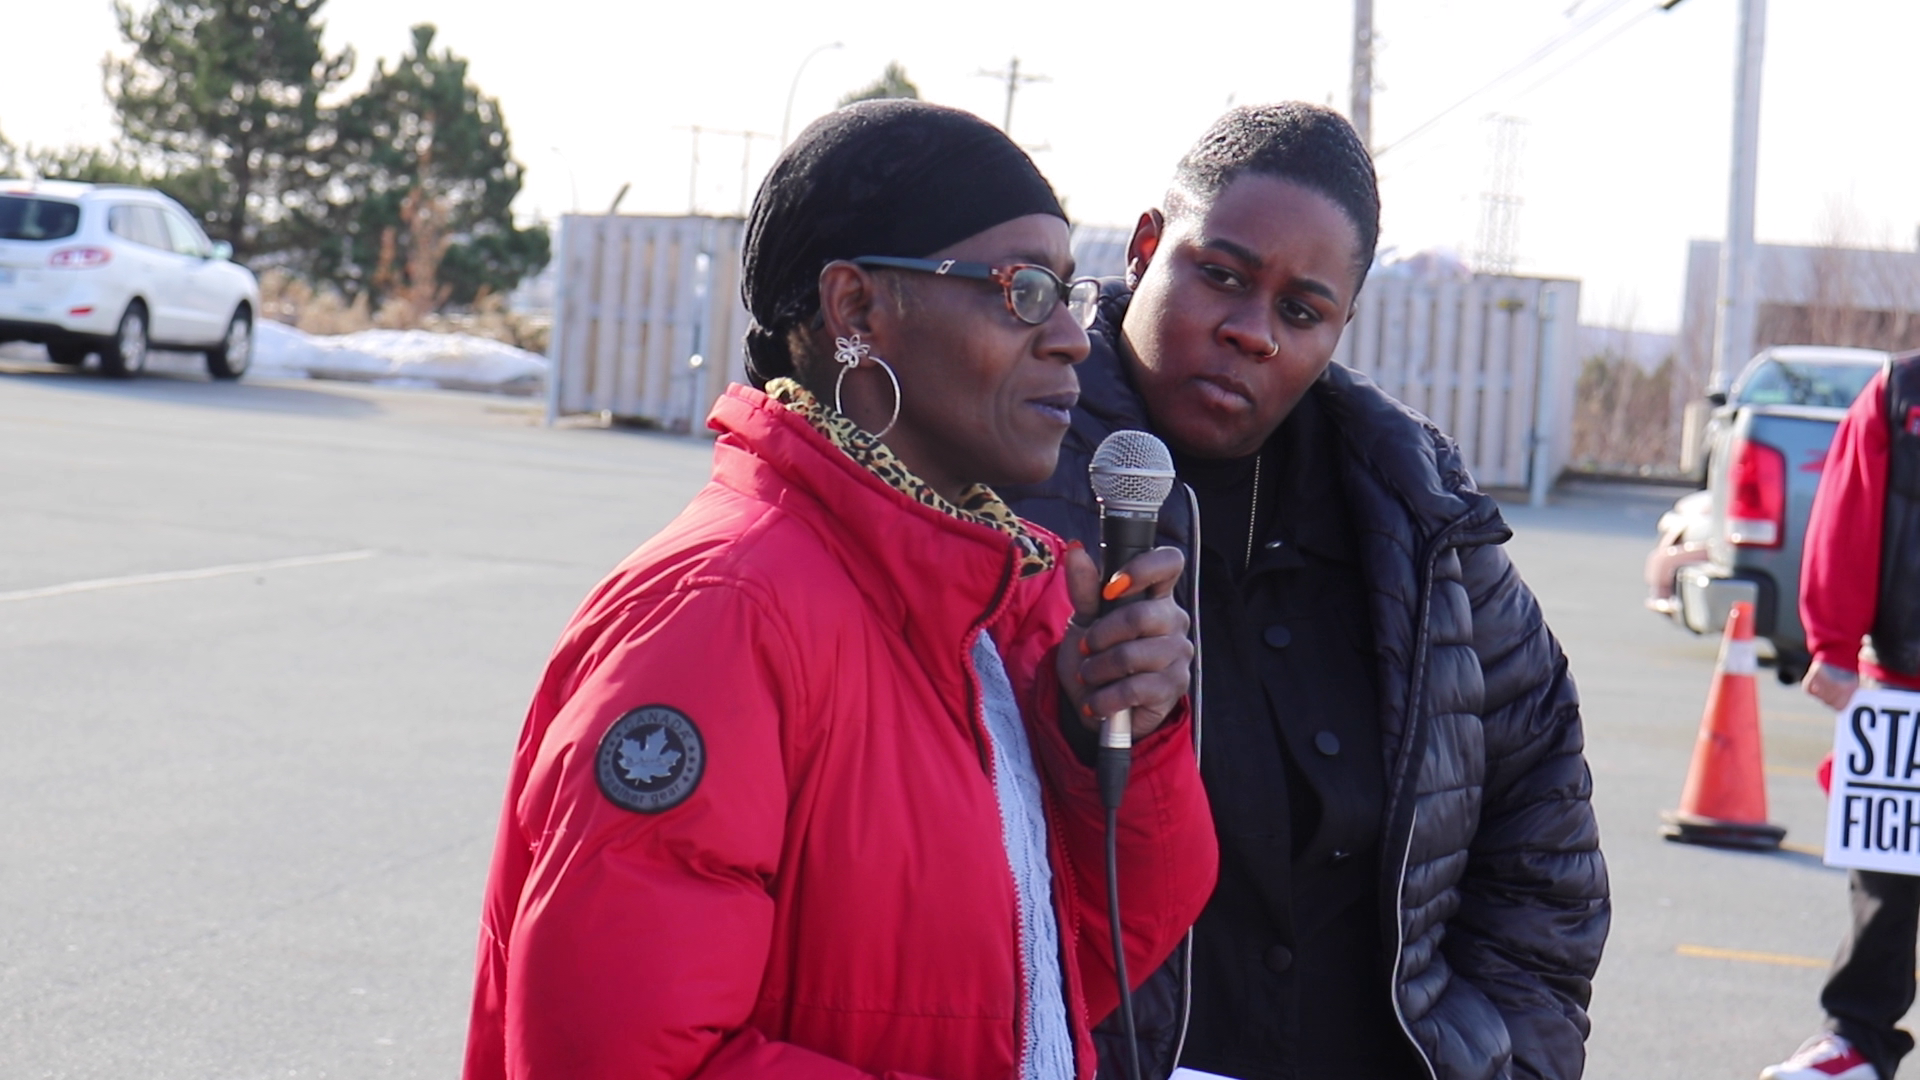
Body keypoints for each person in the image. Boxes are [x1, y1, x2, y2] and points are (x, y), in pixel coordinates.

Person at [462, 100, 1218, 1080]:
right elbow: (618, 1058)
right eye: (1024, 290)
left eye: (1070, 297)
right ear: (857, 310)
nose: (1073, 340)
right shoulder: (719, 614)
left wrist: (1107, 736)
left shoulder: (1003, 606)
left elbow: (1069, 967)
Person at [1002, 103, 1609, 1080]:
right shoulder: (1005, 469)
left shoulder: (1419, 520)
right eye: (1223, 276)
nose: (1250, 332)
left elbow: (1542, 837)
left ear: (1341, 326)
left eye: (1300, 310)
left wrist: (1500, 1055)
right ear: (1149, 245)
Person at [1761, 351, 1920, 1080]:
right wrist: (1831, 643)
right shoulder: (1900, 392)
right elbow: (1851, 504)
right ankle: (1856, 1040)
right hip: (1900, 685)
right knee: (1887, 877)